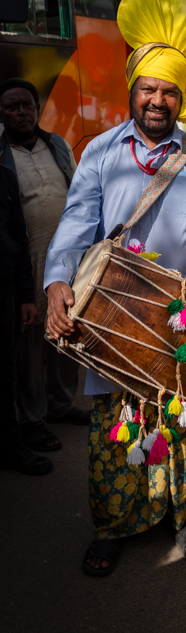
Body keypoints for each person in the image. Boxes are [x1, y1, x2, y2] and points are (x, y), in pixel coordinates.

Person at [44, 0, 186, 576]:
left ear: (183, 98)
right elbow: (77, 222)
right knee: (116, 423)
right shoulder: (101, 153)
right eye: (148, 89)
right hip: (115, 309)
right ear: (132, 92)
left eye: (170, 90)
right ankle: (114, 525)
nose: (158, 100)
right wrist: (56, 281)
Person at [0, 78, 86, 455]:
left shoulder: (57, 145)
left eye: (27, 105)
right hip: (27, 259)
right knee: (32, 340)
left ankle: (61, 404)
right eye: (12, 107)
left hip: (66, 257)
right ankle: (32, 419)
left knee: (68, 328)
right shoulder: (2, 155)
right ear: (1, 115)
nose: (22, 112)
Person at [0, 164, 53, 475]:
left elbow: (17, 237)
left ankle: (10, 446)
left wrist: (25, 296)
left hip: (4, 292)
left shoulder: (5, 176)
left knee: (5, 374)